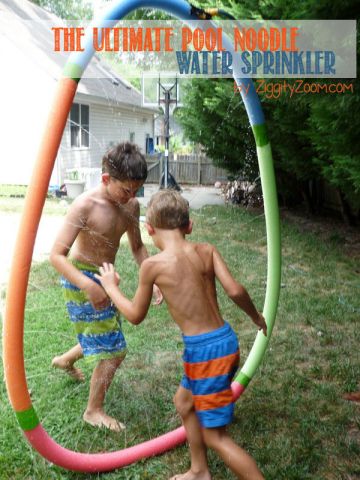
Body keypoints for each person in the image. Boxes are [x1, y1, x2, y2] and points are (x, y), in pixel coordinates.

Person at [96, 190, 267, 479]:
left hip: (205, 355)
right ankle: (199, 471)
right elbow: (235, 290)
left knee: (216, 438)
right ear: (189, 226)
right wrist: (255, 316)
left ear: (149, 230)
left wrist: (111, 287)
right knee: (184, 402)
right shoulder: (206, 250)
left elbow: (136, 315)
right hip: (224, 340)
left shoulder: (152, 265)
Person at [50, 142, 162, 432]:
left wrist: (153, 278)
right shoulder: (85, 206)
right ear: (105, 179)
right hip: (80, 279)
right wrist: (88, 285)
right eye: (126, 190)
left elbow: (137, 248)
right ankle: (93, 411)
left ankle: (65, 360)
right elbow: (56, 255)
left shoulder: (131, 206)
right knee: (114, 349)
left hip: (105, 277)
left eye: (136, 190)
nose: (131, 196)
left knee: (105, 330)